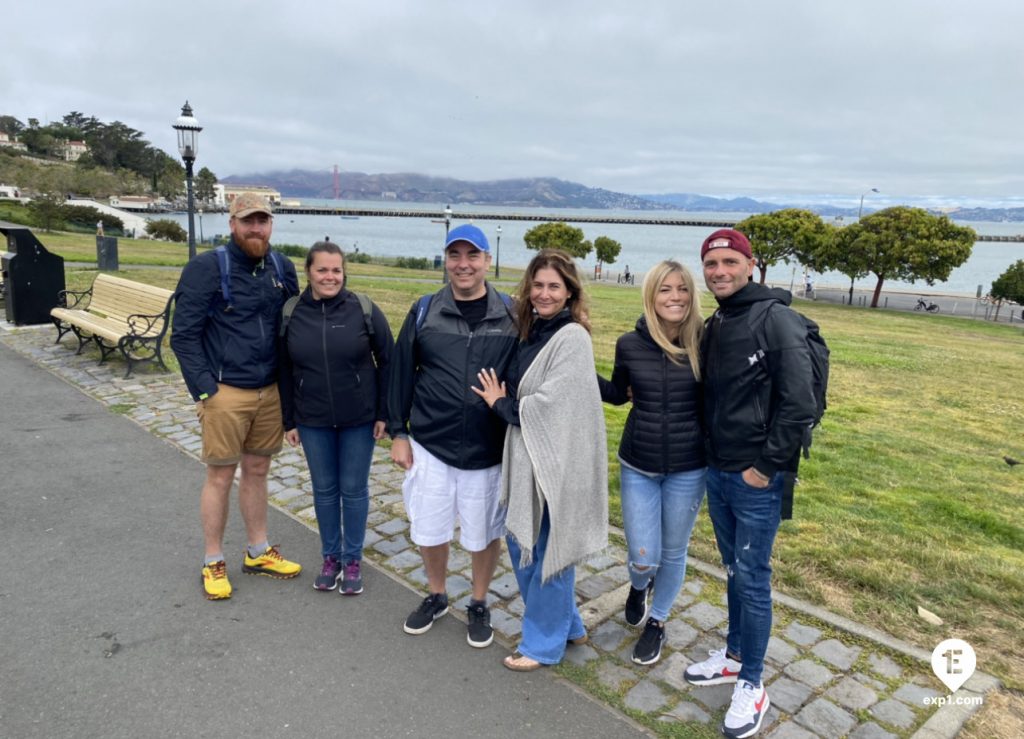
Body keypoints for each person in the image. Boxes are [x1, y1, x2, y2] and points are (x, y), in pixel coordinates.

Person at [685, 229, 815, 739]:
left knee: (753, 578)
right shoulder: (720, 320)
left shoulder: (774, 318)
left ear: (749, 264)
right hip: (719, 470)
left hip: (756, 477)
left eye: (729, 262)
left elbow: (799, 403)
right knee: (734, 570)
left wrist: (765, 467)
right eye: (711, 264)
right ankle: (735, 655)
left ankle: (753, 684)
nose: (719, 271)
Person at [474, 249, 608, 671]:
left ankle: (541, 646)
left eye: (554, 286)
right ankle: (569, 626)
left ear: (570, 292)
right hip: (526, 455)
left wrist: (499, 403)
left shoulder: (572, 337)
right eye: (537, 285)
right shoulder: (533, 331)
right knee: (524, 543)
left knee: (549, 551)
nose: (544, 293)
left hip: (556, 462)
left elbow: (551, 405)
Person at [387, 223, 518, 648]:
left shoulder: (513, 313)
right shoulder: (425, 310)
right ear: (445, 261)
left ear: (487, 261)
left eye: (472, 255)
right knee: (430, 527)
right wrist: (398, 431)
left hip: (489, 447)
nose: (464, 264)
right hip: (432, 443)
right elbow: (401, 371)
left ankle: (479, 601)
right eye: (455, 255)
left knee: (484, 531)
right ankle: (437, 594)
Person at [171, 192, 301, 600]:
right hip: (226, 391)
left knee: (258, 470)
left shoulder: (282, 267)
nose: (256, 229)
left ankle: (258, 551)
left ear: (271, 225)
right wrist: (206, 390)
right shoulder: (206, 268)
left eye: (263, 221)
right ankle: (213, 559)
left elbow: (292, 326)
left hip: (269, 390)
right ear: (232, 224)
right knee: (221, 475)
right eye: (248, 221)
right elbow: (183, 336)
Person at [600, 260, 705, 667]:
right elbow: (618, 393)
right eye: (665, 289)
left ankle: (658, 622)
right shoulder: (629, 343)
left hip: (689, 466)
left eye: (682, 288)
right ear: (651, 295)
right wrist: (575, 369)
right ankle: (639, 583)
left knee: (673, 551)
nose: (675, 297)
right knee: (643, 554)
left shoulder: (706, 341)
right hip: (639, 464)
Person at [279, 241, 394, 595]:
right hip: (312, 419)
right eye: (322, 270)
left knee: (354, 490)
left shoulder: (363, 309)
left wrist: (384, 413)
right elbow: (283, 368)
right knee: (325, 490)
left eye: (336, 270)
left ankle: (353, 559)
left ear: (344, 272)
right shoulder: (292, 313)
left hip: (359, 418)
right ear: (308, 272)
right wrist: (289, 420)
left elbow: (389, 361)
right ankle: (331, 557)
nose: (330, 277)